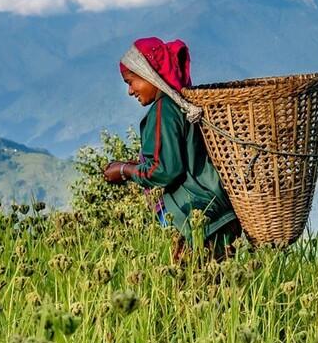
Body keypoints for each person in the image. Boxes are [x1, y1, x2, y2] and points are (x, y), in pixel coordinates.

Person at [103, 37, 241, 262]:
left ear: (149, 74)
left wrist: (123, 170)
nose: (129, 91)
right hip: (216, 212)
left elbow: (164, 171)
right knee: (221, 287)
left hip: (193, 215)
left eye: (131, 81)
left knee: (192, 289)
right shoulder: (179, 104)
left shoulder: (163, 110)